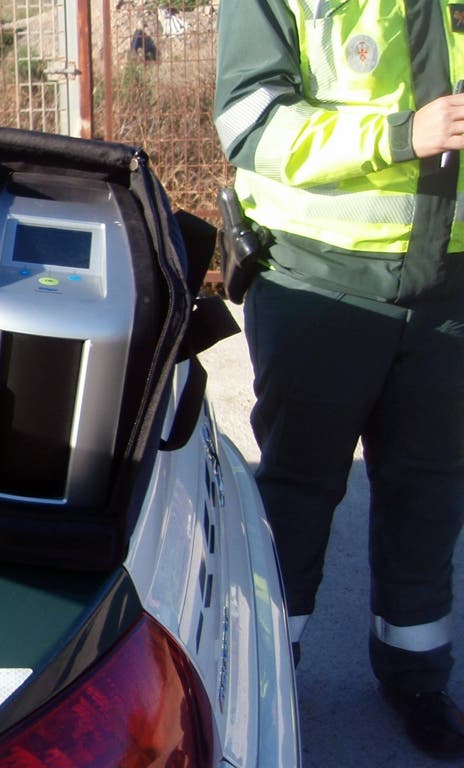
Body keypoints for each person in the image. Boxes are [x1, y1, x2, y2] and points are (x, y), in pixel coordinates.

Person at [213, 0, 464, 759]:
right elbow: (251, 121)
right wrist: (399, 137)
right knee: (294, 494)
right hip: (319, 285)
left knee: (430, 496)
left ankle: (417, 678)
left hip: (448, 294)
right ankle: (265, 683)